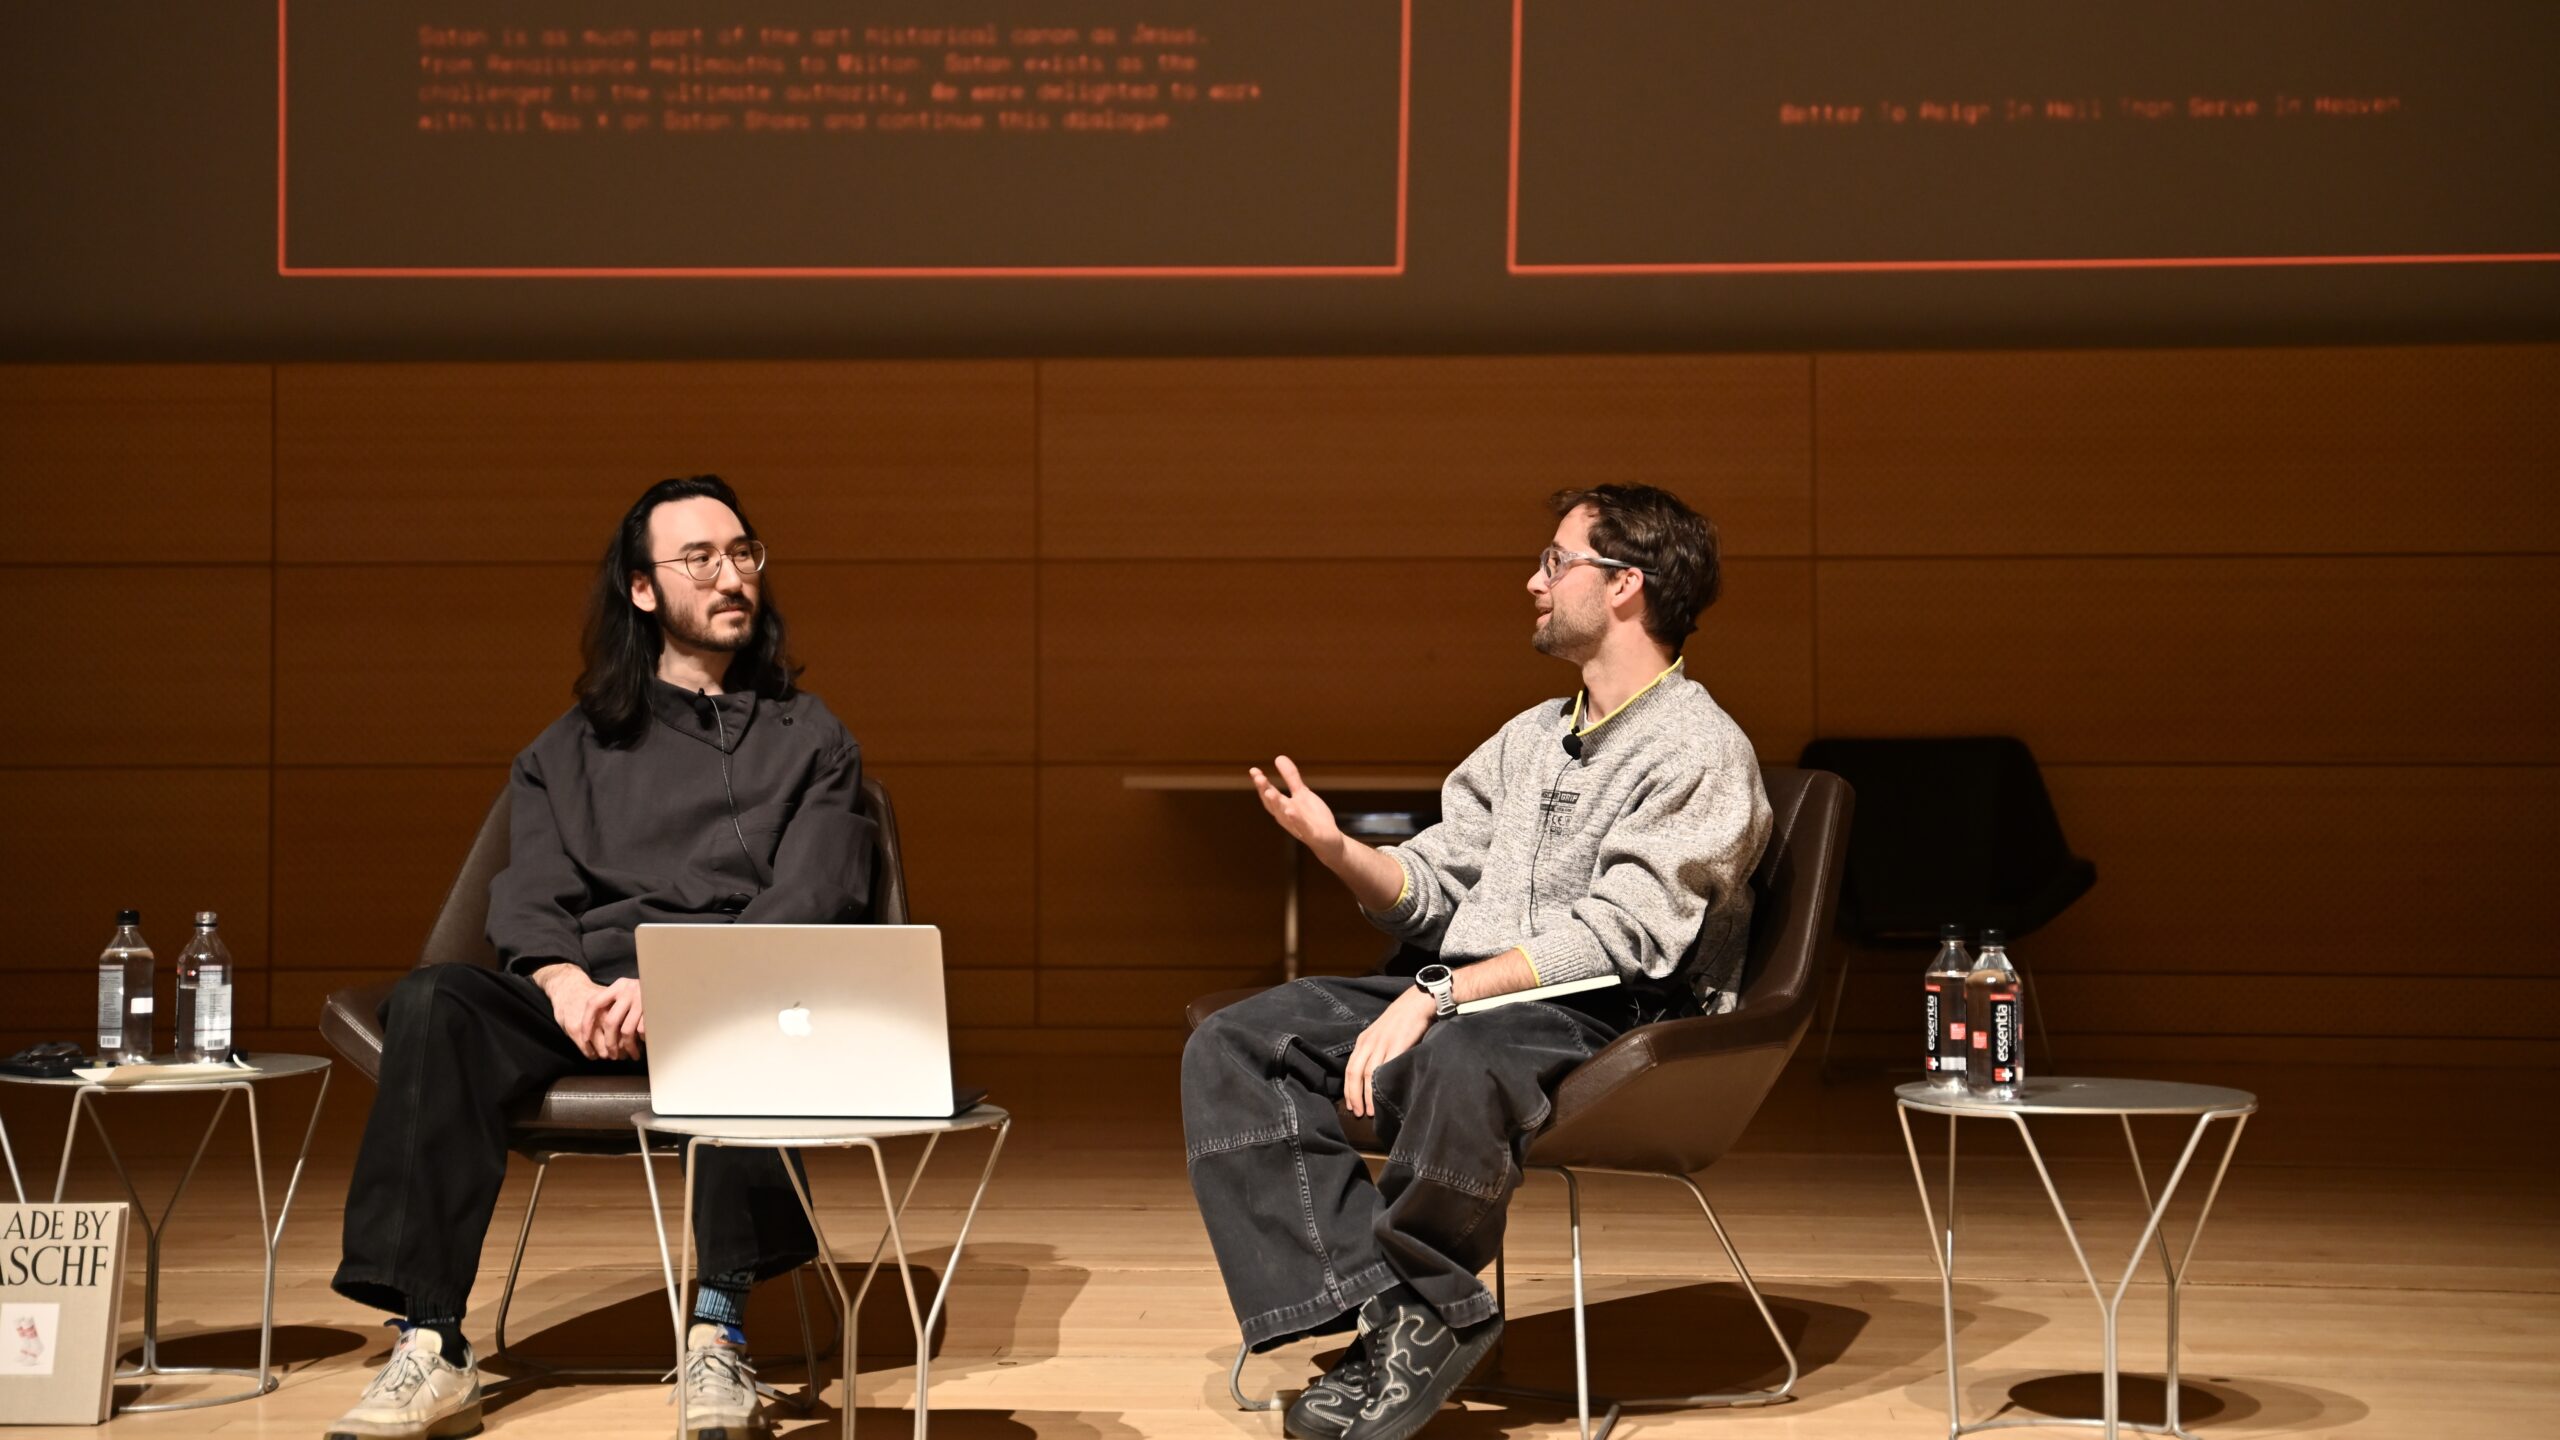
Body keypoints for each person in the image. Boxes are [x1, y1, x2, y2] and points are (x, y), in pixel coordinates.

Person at [1182, 484, 1771, 1440]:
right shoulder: (1531, 735)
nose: (1531, 581)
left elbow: (1621, 937)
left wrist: (1439, 994)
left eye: (1554, 561)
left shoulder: (1699, 747)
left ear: (1626, 585)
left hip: (1603, 1011)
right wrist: (1337, 848)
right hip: (1468, 992)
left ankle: (1422, 1319)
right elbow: (1432, 882)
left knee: (1462, 1057)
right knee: (1235, 1042)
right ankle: (1390, 1317)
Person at [325, 475, 877, 1440]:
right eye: (698, 558)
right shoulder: (565, 751)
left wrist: (683, 985)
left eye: (742, 554)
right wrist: (566, 982)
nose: (730, 576)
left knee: (746, 1015)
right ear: (641, 591)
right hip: (583, 1000)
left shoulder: (812, 736)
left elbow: (819, 893)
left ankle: (718, 1332)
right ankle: (431, 1339)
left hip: (726, 989)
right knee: (435, 1003)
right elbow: (528, 893)